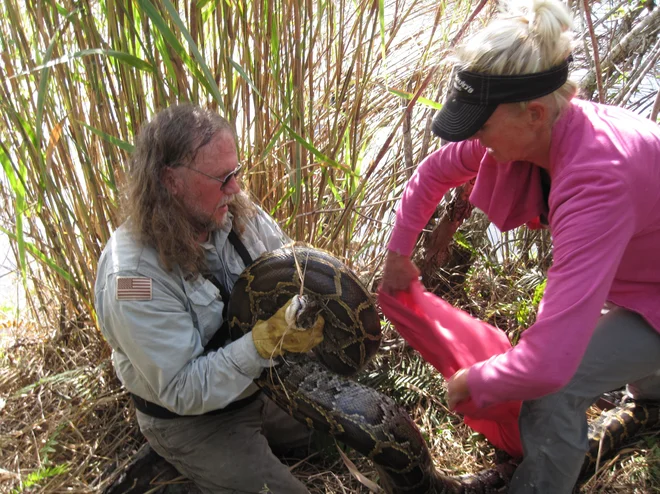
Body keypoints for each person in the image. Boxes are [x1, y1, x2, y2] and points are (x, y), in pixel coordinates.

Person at [379, 0, 660, 492]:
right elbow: (434, 171)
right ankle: (653, 395)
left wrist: (471, 385)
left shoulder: (596, 180)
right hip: (644, 273)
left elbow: (548, 365)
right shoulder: (542, 128)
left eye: (481, 126)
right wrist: (399, 254)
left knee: (554, 392)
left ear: (532, 113)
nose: (476, 140)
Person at [94, 104, 324, 493]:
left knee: (347, 437)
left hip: (261, 384)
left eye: (235, 172)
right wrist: (263, 344)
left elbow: (294, 269)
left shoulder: (231, 209)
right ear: (171, 181)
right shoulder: (131, 278)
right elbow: (182, 387)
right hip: (192, 418)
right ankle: (175, 469)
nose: (235, 188)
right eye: (222, 178)